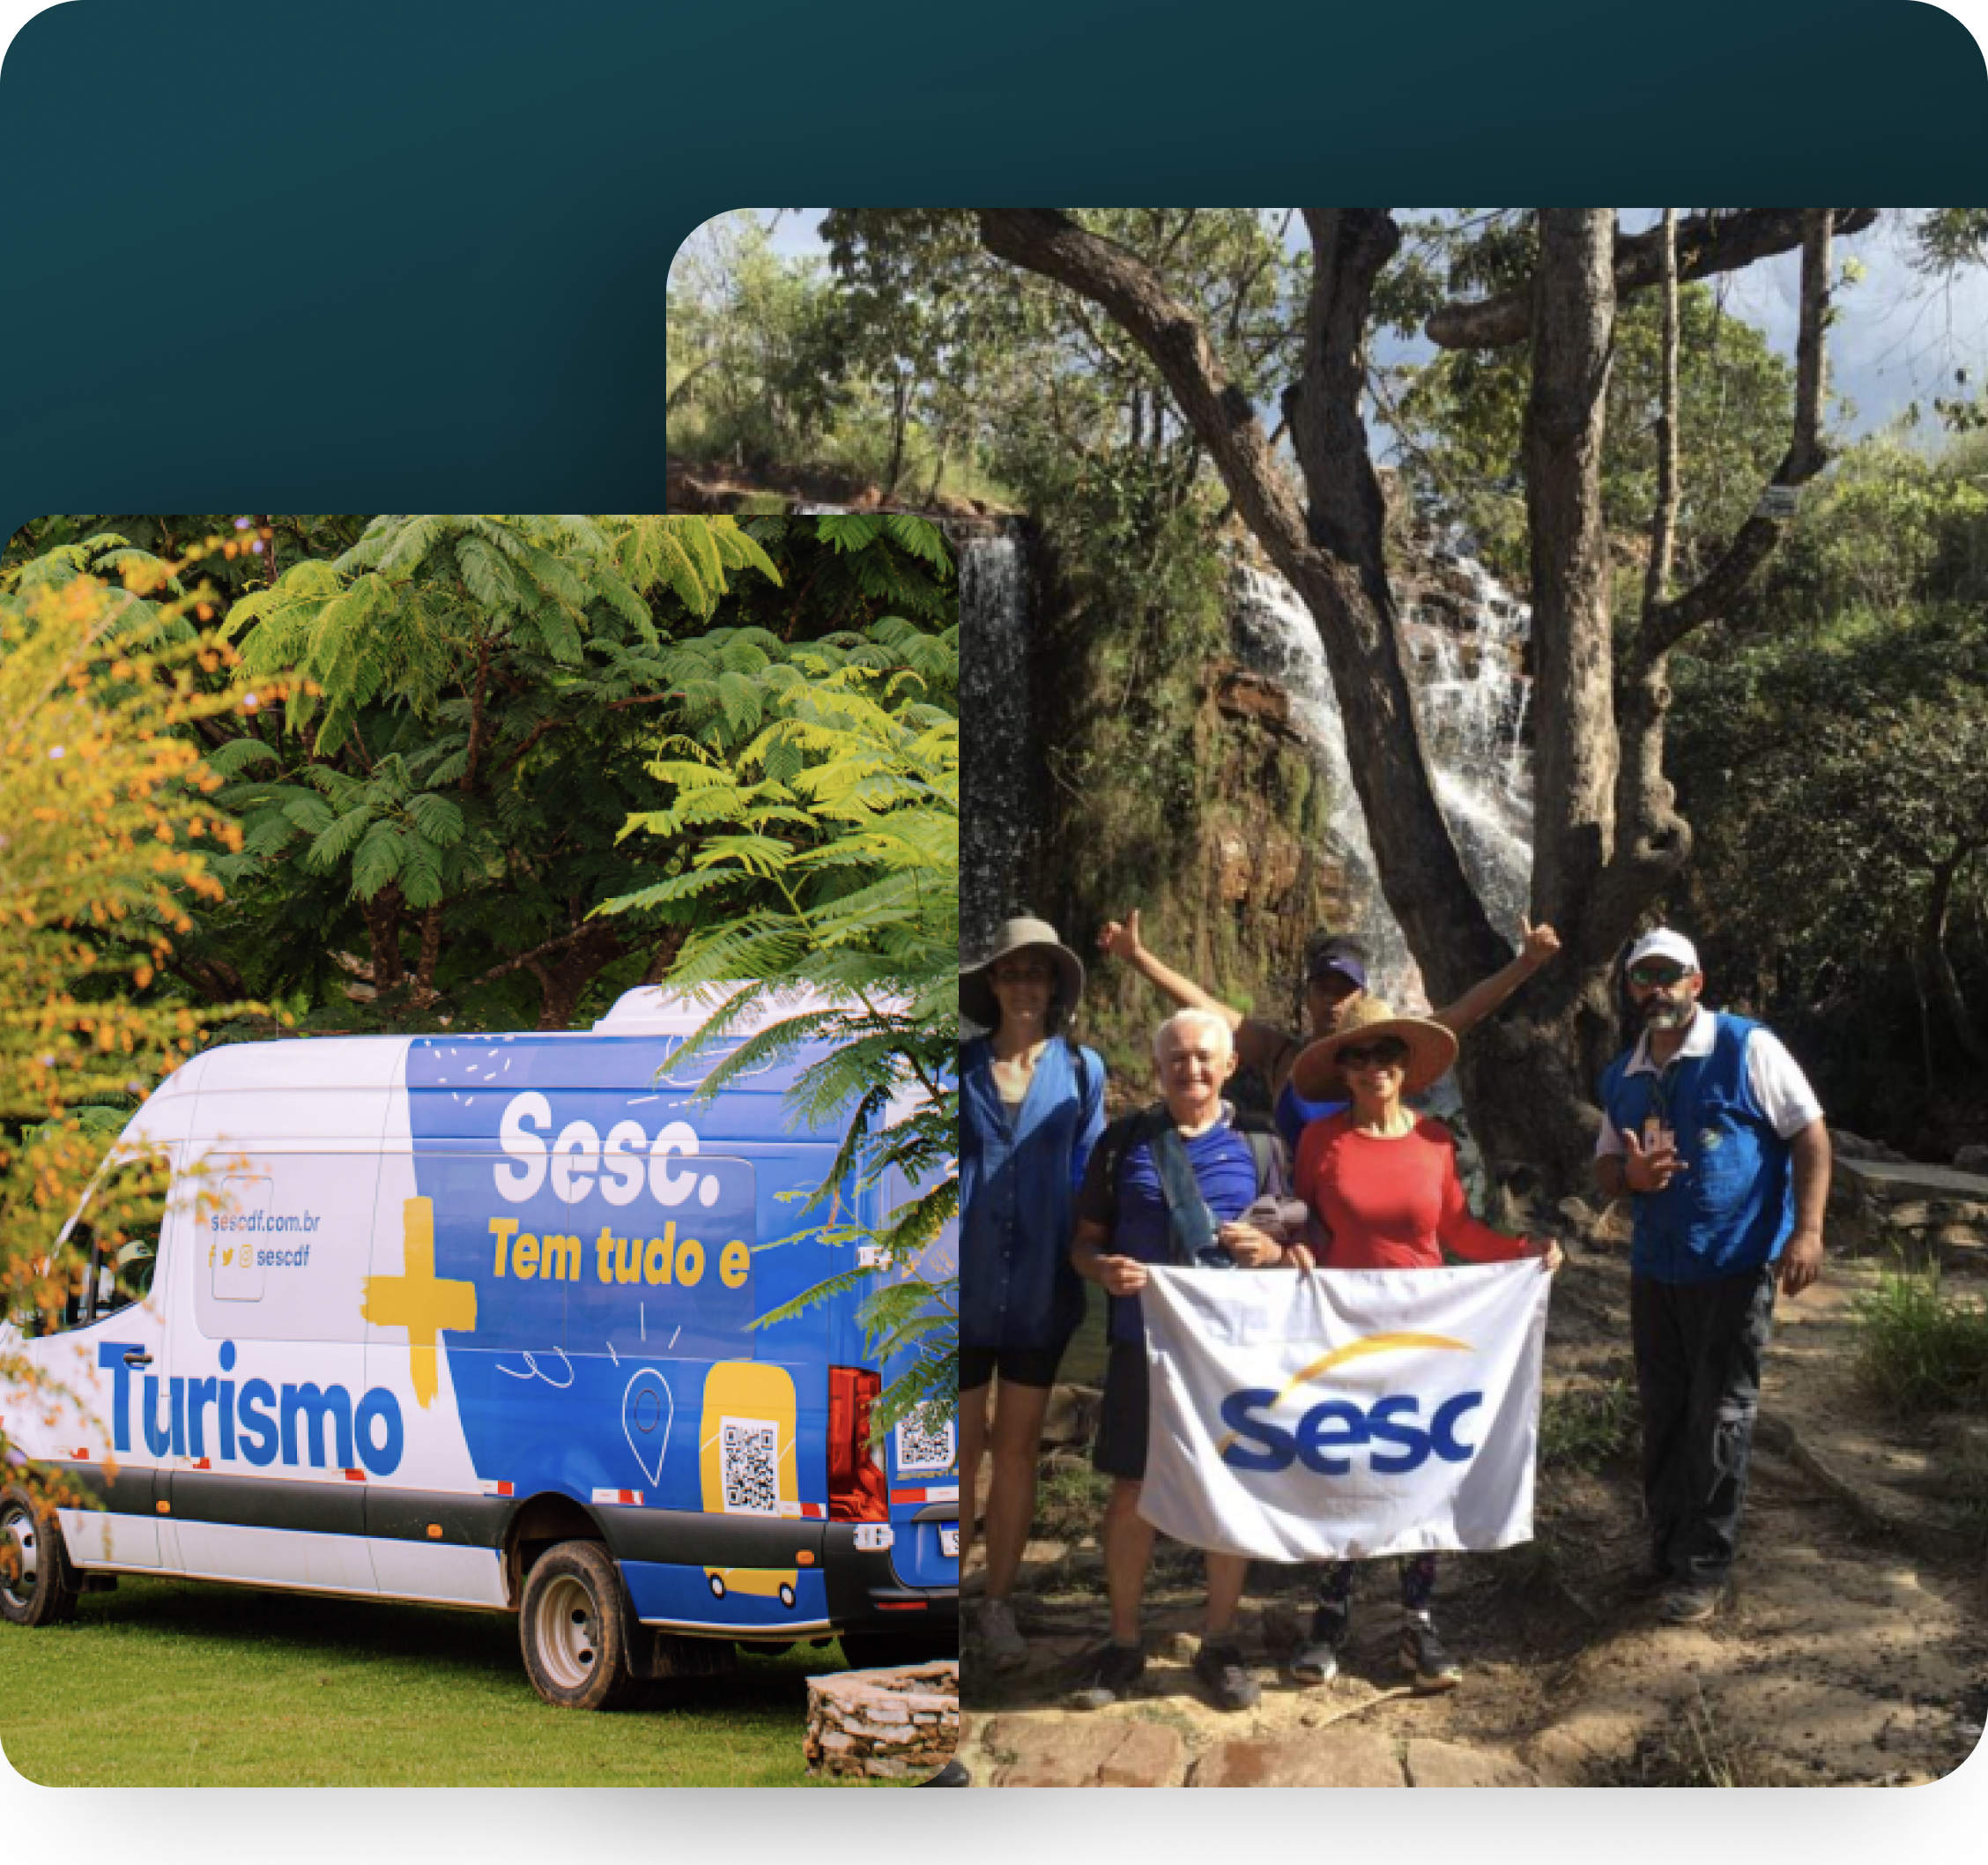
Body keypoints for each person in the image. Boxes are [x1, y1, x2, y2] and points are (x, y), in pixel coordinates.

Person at [1286, 997, 1561, 1692]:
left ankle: (1417, 1622)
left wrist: (1524, 1251)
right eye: (1358, 1055)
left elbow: (1458, 1233)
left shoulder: (1437, 1141)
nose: (1374, 1067)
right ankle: (1330, 1620)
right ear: (1343, 1070)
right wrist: (1293, 1249)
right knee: (1344, 1461)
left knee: (1420, 1465)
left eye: (1387, 1055)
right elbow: (1303, 1225)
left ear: (1406, 1068)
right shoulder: (1322, 1144)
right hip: (1343, 1331)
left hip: (1423, 1332)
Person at [1064, 1007, 1303, 1715]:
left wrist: (1270, 1252)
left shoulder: (1263, 1145)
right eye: (1177, 1059)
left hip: (1231, 1351)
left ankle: (1221, 1643)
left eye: (1205, 1057)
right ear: (1160, 1067)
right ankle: (1124, 1641)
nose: (1191, 1069)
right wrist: (1101, 1269)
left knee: (1228, 1488)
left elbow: (1297, 1241)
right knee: (1133, 1492)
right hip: (1143, 1344)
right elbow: (1082, 1242)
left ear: (1230, 1065)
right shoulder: (1123, 1143)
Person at [1593, 928, 1829, 1626]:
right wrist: (1627, 1178)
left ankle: (1706, 1564)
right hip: (1656, 1272)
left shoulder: (1746, 1047)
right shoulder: (1624, 1074)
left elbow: (1810, 1133)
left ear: (1697, 982)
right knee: (1665, 1414)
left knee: (1720, 1416)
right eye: (1645, 977)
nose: (1658, 988)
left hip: (1733, 1266)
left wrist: (1808, 1232)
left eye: (1672, 975)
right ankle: (1664, 1552)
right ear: (1632, 989)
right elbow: (1604, 1165)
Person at [1096, 910, 1561, 1150]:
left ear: (1363, 996)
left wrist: (1527, 964)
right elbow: (1205, 1007)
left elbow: (1462, 1013)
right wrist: (1137, 957)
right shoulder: (1280, 1056)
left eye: (1345, 990)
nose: (1334, 1000)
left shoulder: (1388, 1053)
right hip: (1290, 1220)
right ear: (1308, 995)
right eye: (1324, 988)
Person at [959, 917, 1107, 1674]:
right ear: (992, 983)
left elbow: (1092, 1179)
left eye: (1037, 973)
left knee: (1014, 1452)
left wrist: (1100, 1252)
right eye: (1011, 971)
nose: (1023, 984)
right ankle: (940, 1596)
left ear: (1054, 988)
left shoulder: (1084, 1073)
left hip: (1042, 1291)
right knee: (956, 1450)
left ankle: (996, 1603)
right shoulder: (955, 1069)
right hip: (957, 1292)